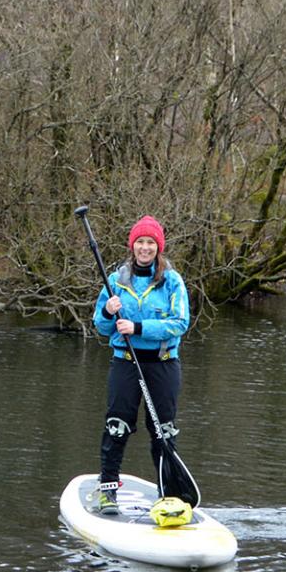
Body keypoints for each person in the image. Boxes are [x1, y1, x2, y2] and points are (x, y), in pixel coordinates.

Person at [91, 215, 196, 514]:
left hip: (162, 365)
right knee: (117, 425)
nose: (145, 248)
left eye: (151, 243)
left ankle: (169, 495)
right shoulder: (115, 281)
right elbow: (101, 326)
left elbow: (180, 323)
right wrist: (109, 313)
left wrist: (137, 328)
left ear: (158, 247)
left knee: (163, 430)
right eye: (140, 242)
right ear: (132, 246)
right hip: (125, 362)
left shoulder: (172, 281)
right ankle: (107, 491)